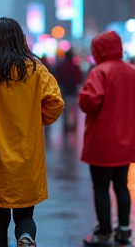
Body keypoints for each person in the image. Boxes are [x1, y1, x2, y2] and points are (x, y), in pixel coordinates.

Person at [0, 17, 64, 247]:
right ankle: (25, 237)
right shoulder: (36, 68)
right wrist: (36, 119)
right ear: (20, 39)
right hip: (28, 156)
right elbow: (55, 103)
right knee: (25, 215)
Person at [79, 31, 135, 246]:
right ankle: (124, 231)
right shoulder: (131, 72)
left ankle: (103, 233)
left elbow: (90, 102)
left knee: (101, 187)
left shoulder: (99, 72)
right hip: (126, 139)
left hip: (103, 140)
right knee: (122, 186)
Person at [55, 48, 83, 132]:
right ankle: (74, 126)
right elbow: (79, 79)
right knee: (74, 110)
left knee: (65, 111)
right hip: (73, 92)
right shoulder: (76, 67)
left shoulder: (61, 67)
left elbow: (58, 78)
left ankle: (66, 126)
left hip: (64, 92)